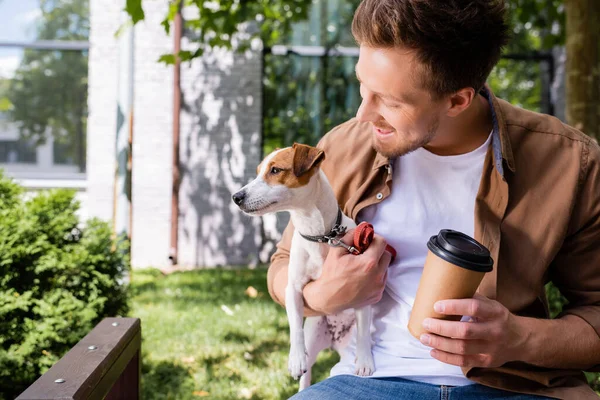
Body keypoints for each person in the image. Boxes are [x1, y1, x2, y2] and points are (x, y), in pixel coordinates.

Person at [266, 0, 600, 399]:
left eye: (390, 101)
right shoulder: (342, 148)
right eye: (362, 85)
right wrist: (322, 296)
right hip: (366, 381)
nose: (362, 113)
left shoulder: (567, 161)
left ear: (458, 100)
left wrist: (521, 339)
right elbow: (284, 265)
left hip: (516, 387)